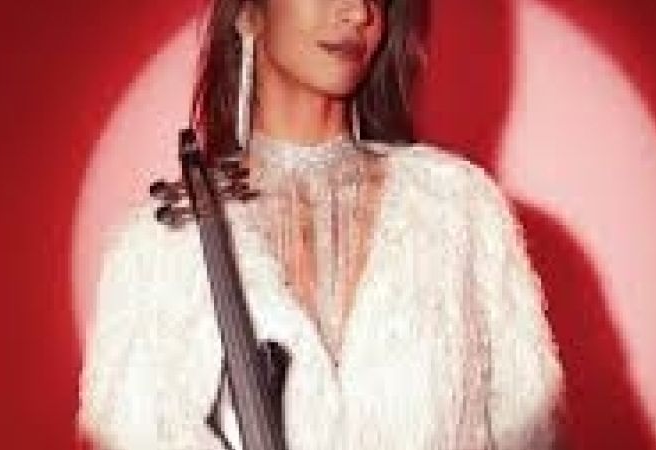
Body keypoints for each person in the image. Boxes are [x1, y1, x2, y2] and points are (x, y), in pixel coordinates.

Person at [77, 0, 566, 448]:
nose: (358, 11)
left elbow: (533, 434)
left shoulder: (458, 210)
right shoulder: (156, 249)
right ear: (248, 12)